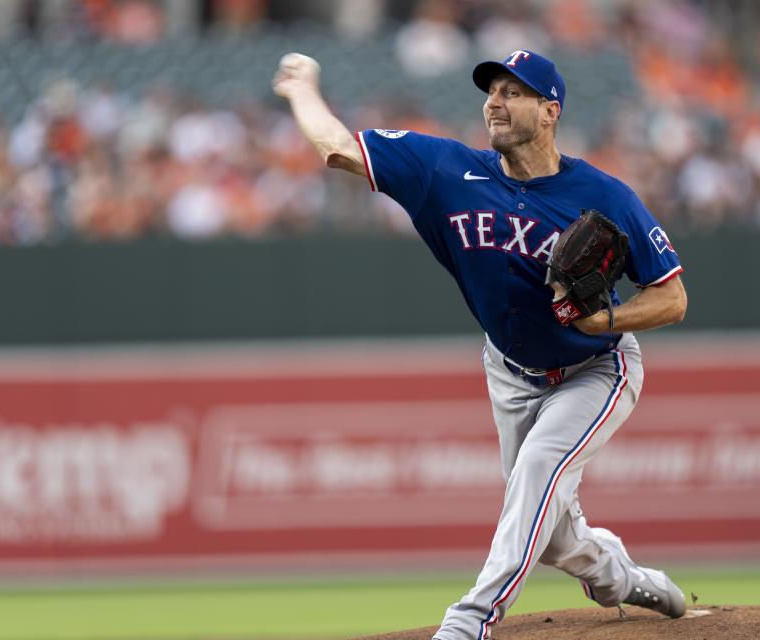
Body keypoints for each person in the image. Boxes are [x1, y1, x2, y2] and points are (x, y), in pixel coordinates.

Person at [273, 49, 688, 640]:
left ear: (550, 111)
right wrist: (301, 89)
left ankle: (470, 620)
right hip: (510, 371)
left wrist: (605, 321)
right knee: (554, 537)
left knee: (536, 472)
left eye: (513, 92)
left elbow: (672, 299)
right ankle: (617, 577)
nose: (494, 101)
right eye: (491, 91)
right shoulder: (444, 170)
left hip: (595, 368)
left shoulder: (605, 195)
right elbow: (337, 148)